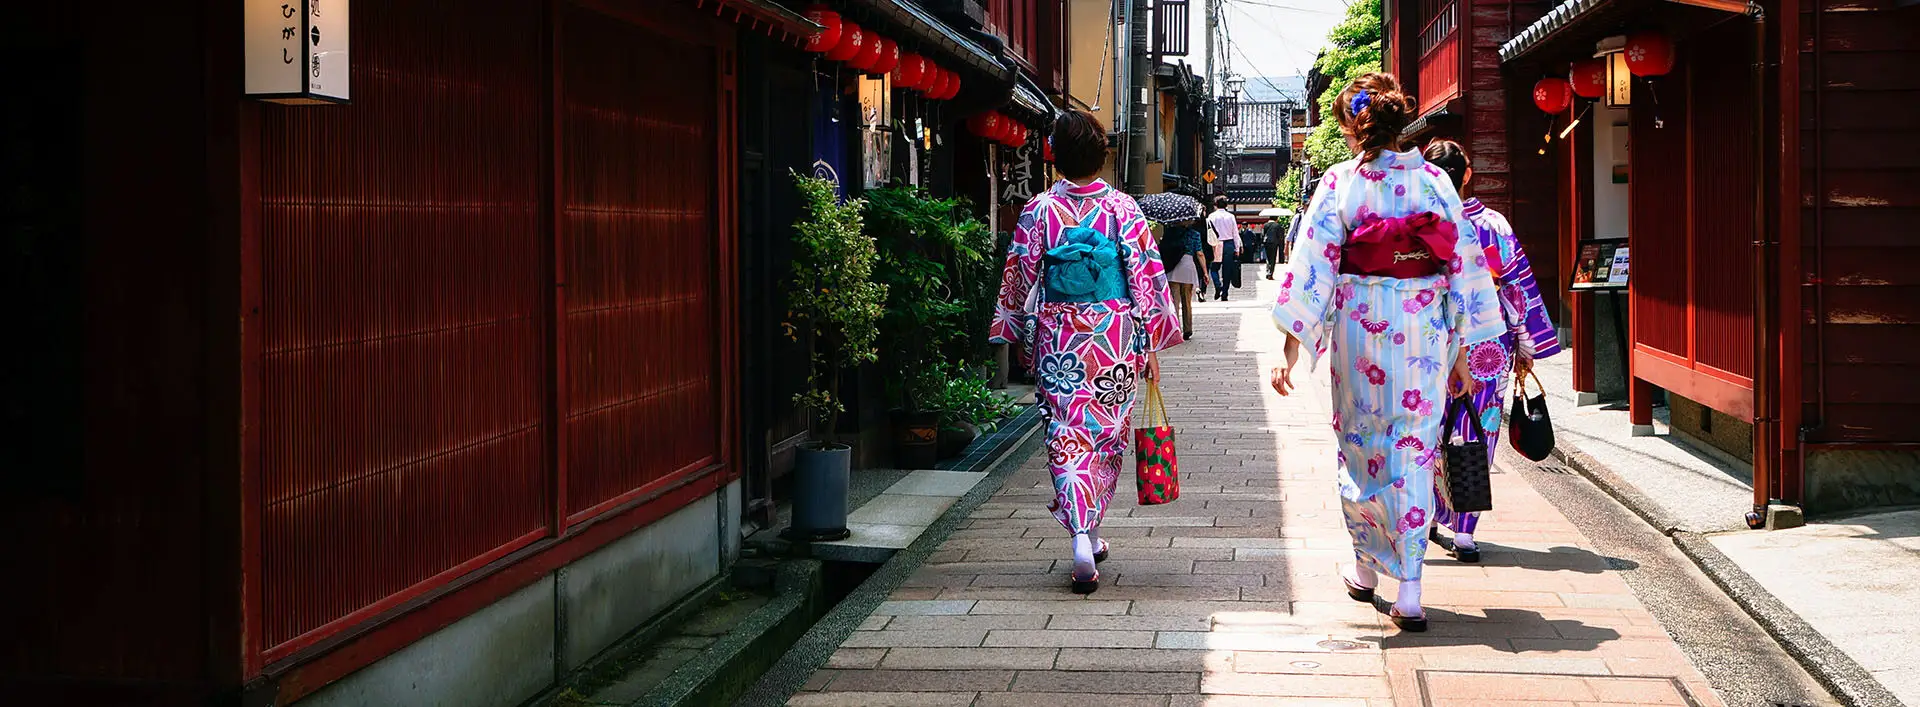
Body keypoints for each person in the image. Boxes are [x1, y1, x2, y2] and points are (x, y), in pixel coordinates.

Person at [1266, 72, 1505, 632]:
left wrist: (1290, 347)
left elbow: (1313, 268)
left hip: (1359, 325)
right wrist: (1462, 357)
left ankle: (1366, 569)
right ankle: (1413, 588)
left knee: (1362, 445)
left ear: (1354, 124)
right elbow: (1461, 268)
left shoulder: (1340, 182)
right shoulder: (1438, 184)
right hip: (1422, 326)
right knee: (1414, 450)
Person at [990, 110, 1184, 595]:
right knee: (1105, 436)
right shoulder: (1123, 209)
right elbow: (1146, 277)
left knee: (1065, 432)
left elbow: (1018, 276)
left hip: (1059, 335)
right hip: (1114, 335)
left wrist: (1013, 328)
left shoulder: (1039, 211)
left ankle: (1081, 534)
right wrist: (1152, 342)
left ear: (1054, 157)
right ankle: (1089, 529)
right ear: (1102, 156)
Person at [1421, 139, 1564, 563]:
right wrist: (1525, 341)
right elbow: (1516, 291)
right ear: (1466, 174)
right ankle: (1464, 533)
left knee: (1427, 427)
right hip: (1487, 342)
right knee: (1478, 431)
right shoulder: (1494, 226)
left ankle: (1424, 516)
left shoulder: (1419, 223)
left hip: (1429, 339)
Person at [1159, 217, 1204, 338]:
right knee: (1187, 301)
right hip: (1188, 266)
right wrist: (1205, 272)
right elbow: (1199, 253)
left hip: (1173, 267)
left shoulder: (1170, 232)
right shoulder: (1194, 234)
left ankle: (1175, 328)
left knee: (1175, 301)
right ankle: (1188, 329)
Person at [1205, 196, 1240, 300]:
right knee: (1227, 270)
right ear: (1226, 205)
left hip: (1216, 243)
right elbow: (1235, 233)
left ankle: (1217, 285)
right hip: (1229, 244)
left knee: (1214, 268)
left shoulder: (1211, 216)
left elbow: (1209, 232)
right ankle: (1224, 293)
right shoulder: (1230, 216)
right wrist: (1237, 248)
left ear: (1215, 205)